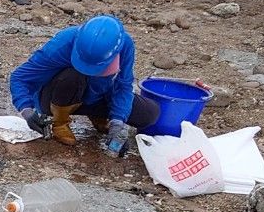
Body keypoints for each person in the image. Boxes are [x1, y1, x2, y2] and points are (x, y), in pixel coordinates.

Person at [9, 15, 159, 158]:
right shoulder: (63, 43)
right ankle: (59, 122)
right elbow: (20, 78)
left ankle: (99, 116)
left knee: (149, 113)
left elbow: (123, 86)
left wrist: (117, 121)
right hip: (58, 98)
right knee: (72, 76)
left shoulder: (124, 45)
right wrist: (27, 111)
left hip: (96, 96)